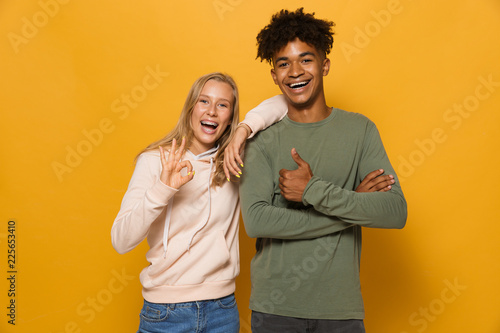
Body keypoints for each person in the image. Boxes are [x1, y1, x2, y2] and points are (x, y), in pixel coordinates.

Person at [226, 8, 408, 333]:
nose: (295, 71)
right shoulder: (260, 139)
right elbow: (257, 221)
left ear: (324, 65)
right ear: (274, 75)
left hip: (341, 310)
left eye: (306, 60)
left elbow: (394, 211)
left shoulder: (360, 130)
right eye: (283, 63)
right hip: (275, 310)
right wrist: (352, 205)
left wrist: (313, 191)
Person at [111, 72, 244, 333]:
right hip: (165, 312)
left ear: (230, 119)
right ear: (191, 108)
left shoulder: (234, 164)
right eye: (204, 101)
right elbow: (121, 240)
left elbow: (279, 107)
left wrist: (246, 130)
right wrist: (163, 189)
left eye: (223, 105)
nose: (212, 112)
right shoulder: (153, 161)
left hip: (222, 311)